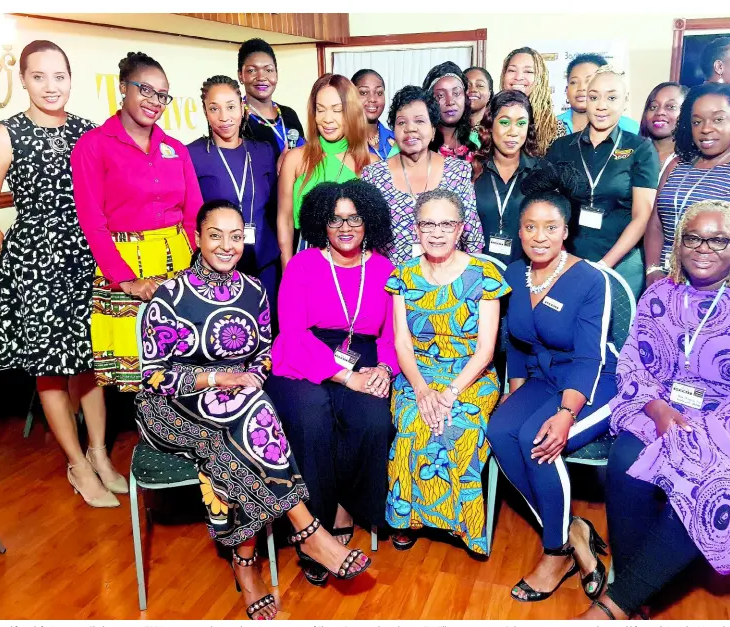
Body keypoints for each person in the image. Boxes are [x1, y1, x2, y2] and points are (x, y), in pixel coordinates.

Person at [136, 200, 372, 619]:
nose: (227, 245)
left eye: (235, 236)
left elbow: (265, 353)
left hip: (238, 401)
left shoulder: (253, 290)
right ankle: (308, 529)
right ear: (197, 238)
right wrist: (216, 380)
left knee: (238, 437)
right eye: (215, 235)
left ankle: (246, 567)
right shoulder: (168, 295)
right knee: (251, 423)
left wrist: (247, 383)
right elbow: (153, 376)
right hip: (172, 406)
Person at [578, 200, 730, 620]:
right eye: (693, 238)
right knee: (625, 461)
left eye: (717, 240)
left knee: (719, 483)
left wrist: (717, 428)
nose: (703, 248)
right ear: (679, 243)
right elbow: (634, 362)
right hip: (663, 403)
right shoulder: (662, 291)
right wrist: (656, 407)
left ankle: (618, 603)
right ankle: (641, 588)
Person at [0, 40, 124, 509]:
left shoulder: (88, 131)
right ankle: (78, 466)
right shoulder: (6, 133)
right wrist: (19, 261)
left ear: (70, 79)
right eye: (39, 76)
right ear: (22, 79)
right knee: (50, 369)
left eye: (59, 76)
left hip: (85, 261)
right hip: (33, 267)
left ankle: (100, 455)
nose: (50, 86)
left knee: (89, 362)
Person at [487, 163, 617, 603]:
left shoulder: (589, 279)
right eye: (530, 227)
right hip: (542, 377)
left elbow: (590, 356)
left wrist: (566, 415)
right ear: (519, 231)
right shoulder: (513, 273)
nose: (539, 236)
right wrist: (515, 385)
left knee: (538, 440)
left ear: (566, 231)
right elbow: (518, 339)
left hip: (595, 386)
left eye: (550, 227)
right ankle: (572, 528)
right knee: (501, 431)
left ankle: (555, 552)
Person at [266, 180, 396, 585]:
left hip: (366, 354)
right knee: (311, 417)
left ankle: (345, 507)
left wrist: (384, 370)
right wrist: (347, 377)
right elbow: (292, 331)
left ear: (368, 221)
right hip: (303, 353)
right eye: (335, 219)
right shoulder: (303, 265)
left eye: (354, 218)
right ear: (321, 223)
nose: (345, 227)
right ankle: (313, 530)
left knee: (373, 421)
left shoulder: (385, 268)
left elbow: (393, 334)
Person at [384, 188, 510, 554]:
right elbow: (402, 345)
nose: (436, 232)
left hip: (470, 374)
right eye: (427, 224)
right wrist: (423, 391)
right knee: (412, 424)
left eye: (446, 224)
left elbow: (486, 351)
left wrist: (450, 393)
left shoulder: (484, 274)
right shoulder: (402, 275)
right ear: (416, 229)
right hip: (418, 373)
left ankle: (464, 527)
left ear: (461, 229)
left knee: (459, 427)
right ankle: (407, 518)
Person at [72, 51, 202, 393]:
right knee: (141, 370)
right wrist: (125, 280)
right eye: (145, 89)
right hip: (126, 261)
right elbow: (92, 221)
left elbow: (194, 213)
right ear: (123, 88)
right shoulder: (93, 146)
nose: (154, 101)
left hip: (179, 262)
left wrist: (196, 267)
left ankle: (181, 436)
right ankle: (150, 439)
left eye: (162, 95)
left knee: (183, 359)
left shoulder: (175, 148)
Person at [644, 83, 730, 286]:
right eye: (697, 122)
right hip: (664, 282)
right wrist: (653, 270)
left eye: (718, 119)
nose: (705, 129)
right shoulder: (677, 164)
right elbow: (655, 223)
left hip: (717, 286)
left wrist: (702, 275)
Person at [546, 68, 660, 297]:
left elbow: (642, 216)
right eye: (594, 96)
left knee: (615, 330)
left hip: (621, 263)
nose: (601, 106)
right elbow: (548, 207)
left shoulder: (640, 148)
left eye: (612, 97)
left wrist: (604, 266)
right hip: (569, 259)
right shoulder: (561, 147)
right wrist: (562, 256)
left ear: (625, 101)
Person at [187, 75, 280, 328]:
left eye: (230, 106)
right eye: (214, 108)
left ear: (242, 107)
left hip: (264, 260)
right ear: (205, 112)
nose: (224, 116)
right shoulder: (193, 154)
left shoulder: (263, 151)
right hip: (218, 262)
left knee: (266, 332)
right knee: (225, 333)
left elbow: (274, 207)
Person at [362, 85, 484, 265]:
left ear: (434, 129)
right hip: (392, 282)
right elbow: (365, 242)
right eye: (401, 122)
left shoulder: (457, 171)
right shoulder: (373, 175)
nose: (410, 129)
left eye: (419, 121)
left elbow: (472, 236)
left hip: (447, 282)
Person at [277, 73, 372, 268]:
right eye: (320, 110)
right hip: (306, 257)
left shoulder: (370, 162)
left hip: (355, 261)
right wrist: (288, 268)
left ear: (352, 112)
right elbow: (284, 219)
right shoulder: (295, 159)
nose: (327, 119)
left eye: (337, 110)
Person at [473, 89, 546, 267]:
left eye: (521, 123)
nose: (513, 132)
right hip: (478, 274)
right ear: (490, 125)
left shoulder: (542, 172)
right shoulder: (471, 170)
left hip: (527, 274)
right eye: (505, 122)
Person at [239, 37, 306, 163]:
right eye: (252, 70)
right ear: (240, 75)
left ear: (276, 74)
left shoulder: (289, 114)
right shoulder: (238, 119)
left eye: (268, 70)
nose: (261, 77)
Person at [499, 47, 566, 152]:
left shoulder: (553, 128)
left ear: (540, 78)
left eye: (528, 71)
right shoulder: (487, 121)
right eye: (512, 70)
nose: (518, 77)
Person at [557, 54, 640, 135]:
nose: (581, 87)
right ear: (566, 90)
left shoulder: (630, 128)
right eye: (574, 82)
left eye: (589, 81)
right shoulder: (551, 126)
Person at [422, 61, 480, 161]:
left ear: (465, 97)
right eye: (441, 95)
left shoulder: (478, 142)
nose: (450, 102)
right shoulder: (415, 140)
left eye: (456, 93)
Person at [639, 81, 689, 179]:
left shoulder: (694, 160)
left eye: (671, 107)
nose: (660, 112)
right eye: (653, 107)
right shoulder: (633, 153)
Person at [351, 68, 399, 159]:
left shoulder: (397, 141)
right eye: (364, 93)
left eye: (379, 93)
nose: (372, 99)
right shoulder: (343, 143)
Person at [465, 66, 494, 133]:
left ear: (489, 93)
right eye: (467, 86)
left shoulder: (495, 129)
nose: (473, 90)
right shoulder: (451, 130)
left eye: (480, 85)